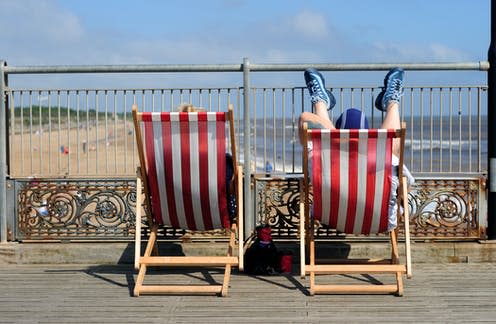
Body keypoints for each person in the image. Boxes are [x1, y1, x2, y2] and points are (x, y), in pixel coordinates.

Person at [299, 67, 414, 231]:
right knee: (393, 145)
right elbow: (407, 184)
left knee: (322, 142)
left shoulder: (319, 158)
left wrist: (333, 136)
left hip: (328, 218)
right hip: (381, 222)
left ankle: (320, 100)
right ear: (367, 136)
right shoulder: (386, 159)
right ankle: (392, 101)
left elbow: (305, 117)